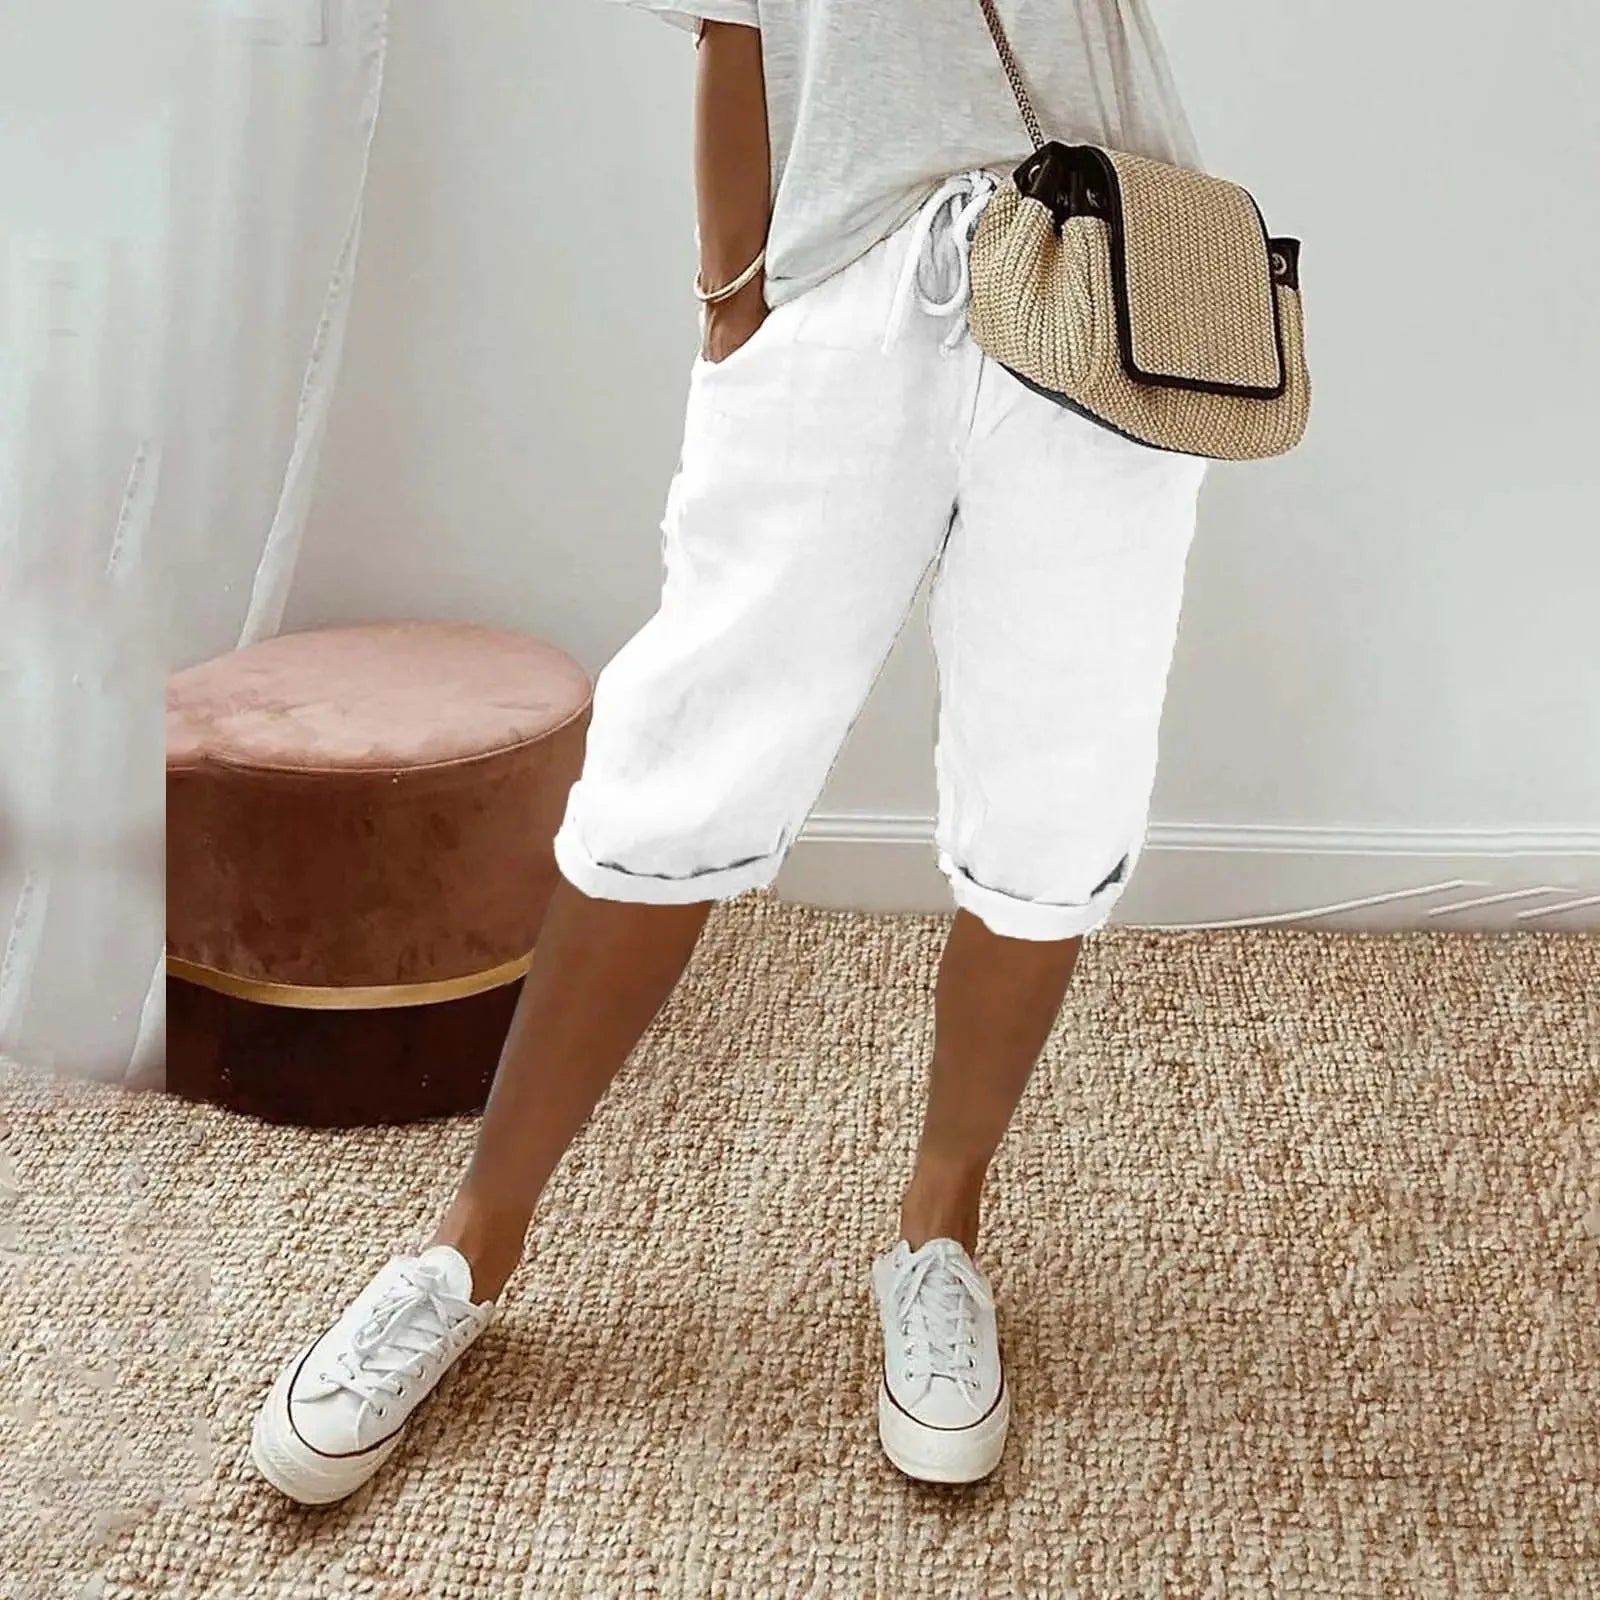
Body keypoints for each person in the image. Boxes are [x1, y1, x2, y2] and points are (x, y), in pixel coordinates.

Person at [250, 0, 1207, 1502]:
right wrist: (731, 304)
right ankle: (467, 1247)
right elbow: (731, 22)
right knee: (676, 773)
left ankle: (939, 1236)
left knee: (1057, 792)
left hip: (1105, 273)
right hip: (840, 289)